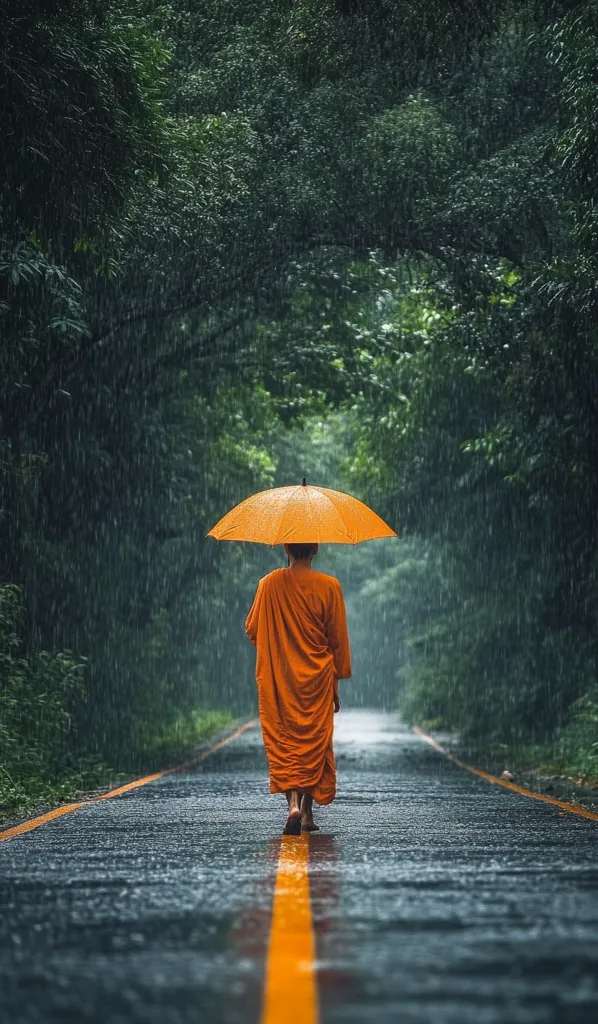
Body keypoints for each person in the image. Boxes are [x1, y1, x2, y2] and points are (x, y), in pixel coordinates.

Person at [245, 542, 352, 834]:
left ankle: (291, 803)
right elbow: (336, 638)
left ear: (286, 550)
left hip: (280, 678)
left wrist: (281, 640)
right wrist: (336, 686)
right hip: (316, 679)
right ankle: (306, 813)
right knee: (313, 743)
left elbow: (253, 629)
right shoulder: (329, 586)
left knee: (285, 741)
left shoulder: (268, 584)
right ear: (315, 551)